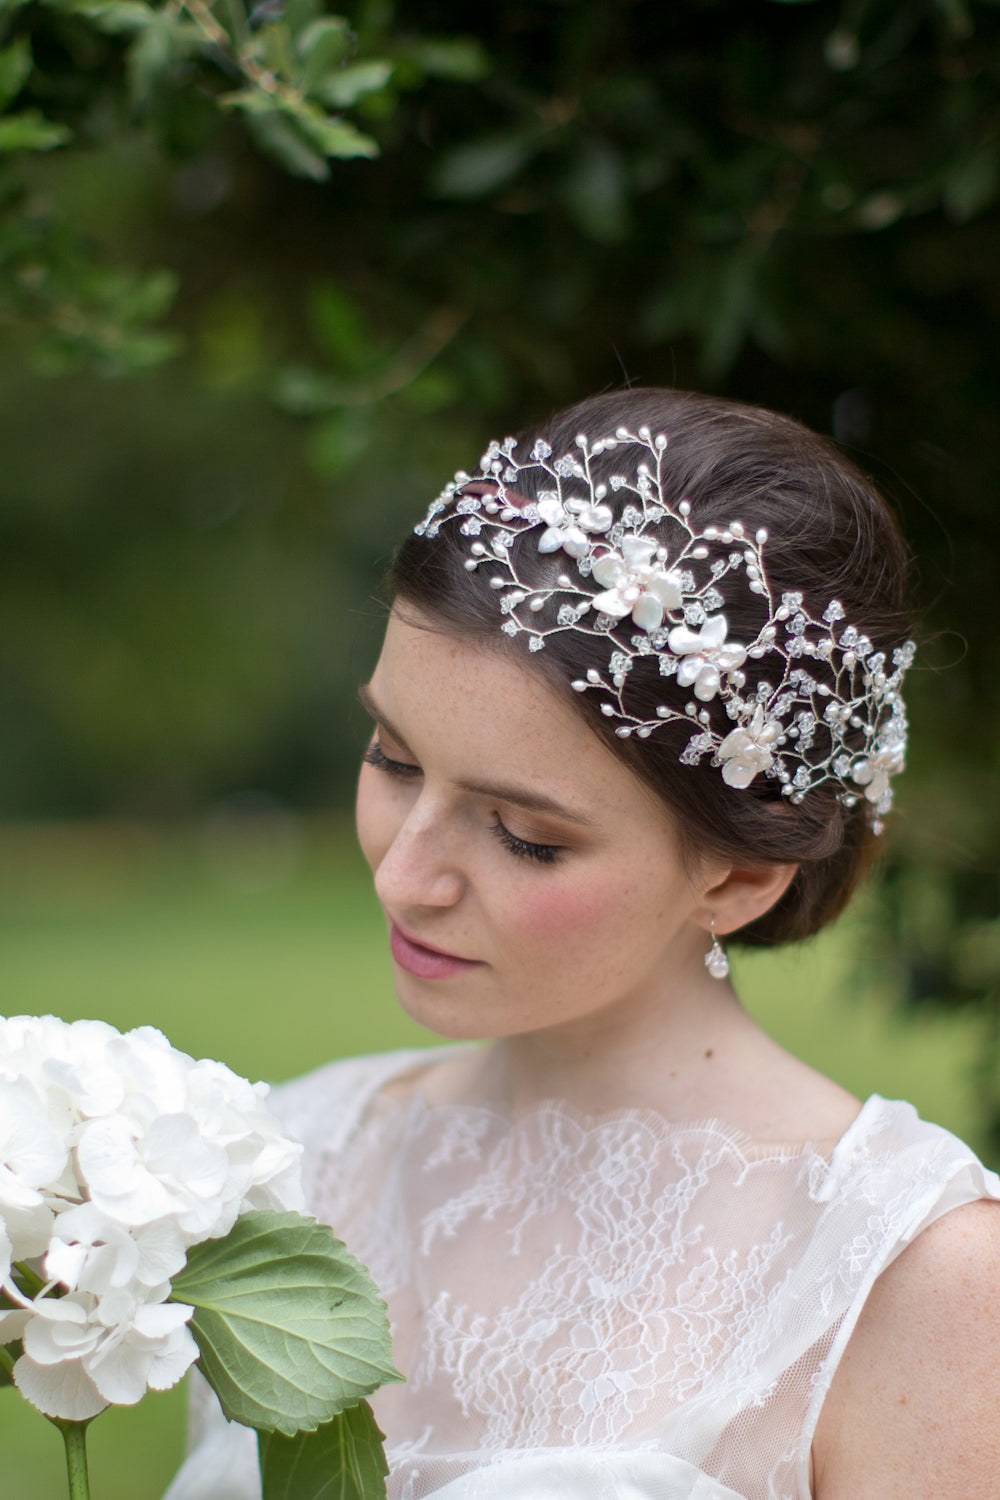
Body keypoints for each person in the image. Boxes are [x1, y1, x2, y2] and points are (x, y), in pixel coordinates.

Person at [165, 389, 1000, 1500]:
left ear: (740, 876)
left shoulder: (908, 1276)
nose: (404, 873)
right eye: (394, 759)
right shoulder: (285, 1159)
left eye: (524, 837)